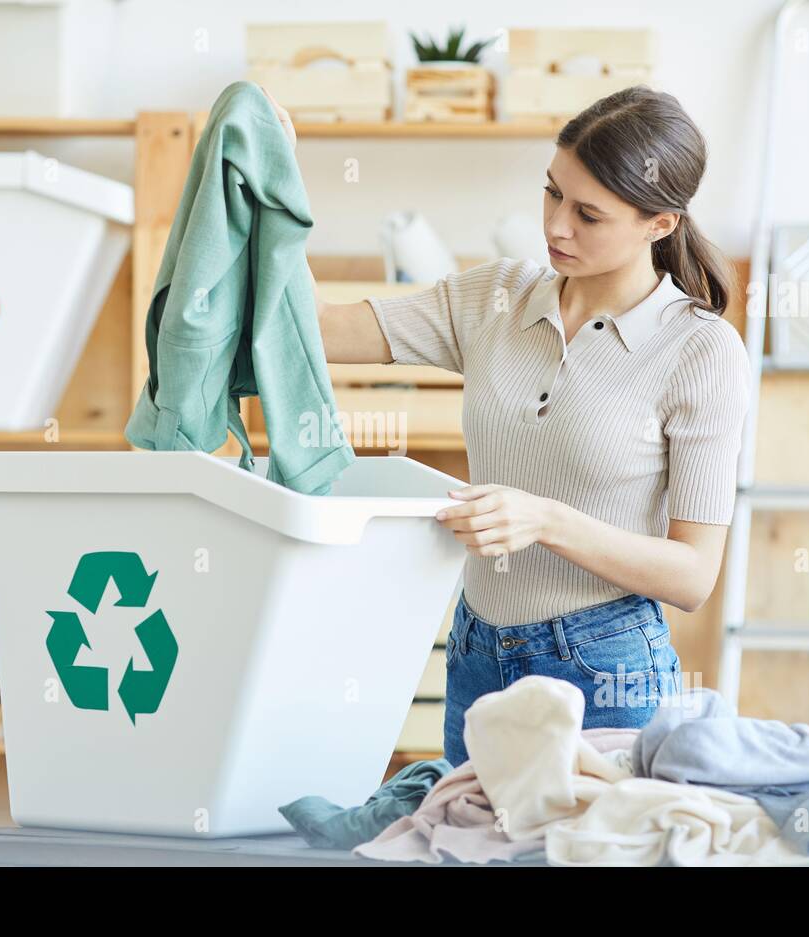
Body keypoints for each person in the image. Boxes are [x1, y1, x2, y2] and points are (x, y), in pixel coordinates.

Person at [261, 84, 752, 766]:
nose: (556, 227)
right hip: (477, 654)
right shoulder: (495, 297)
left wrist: (546, 521)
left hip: (605, 670)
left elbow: (694, 575)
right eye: (552, 194)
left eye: (588, 214)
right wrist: (275, 174)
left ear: (660, 224)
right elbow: (315, 329)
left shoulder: (701, 351)